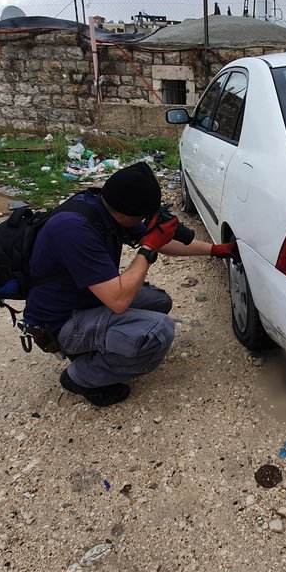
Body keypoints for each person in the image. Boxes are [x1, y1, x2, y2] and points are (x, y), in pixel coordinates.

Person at [24, 161, 235, 407]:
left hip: (85, 299)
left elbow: (161, 240)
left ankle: (102, 348)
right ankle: (81, 377)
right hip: (60, 323)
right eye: (144, 216)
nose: (145, 221)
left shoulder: (105, 207)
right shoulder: (73, 230)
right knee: (158, 331)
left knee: (159, 302)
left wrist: (216, 250)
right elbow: (119, 300)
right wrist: (148, 248)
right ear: (127, 213)